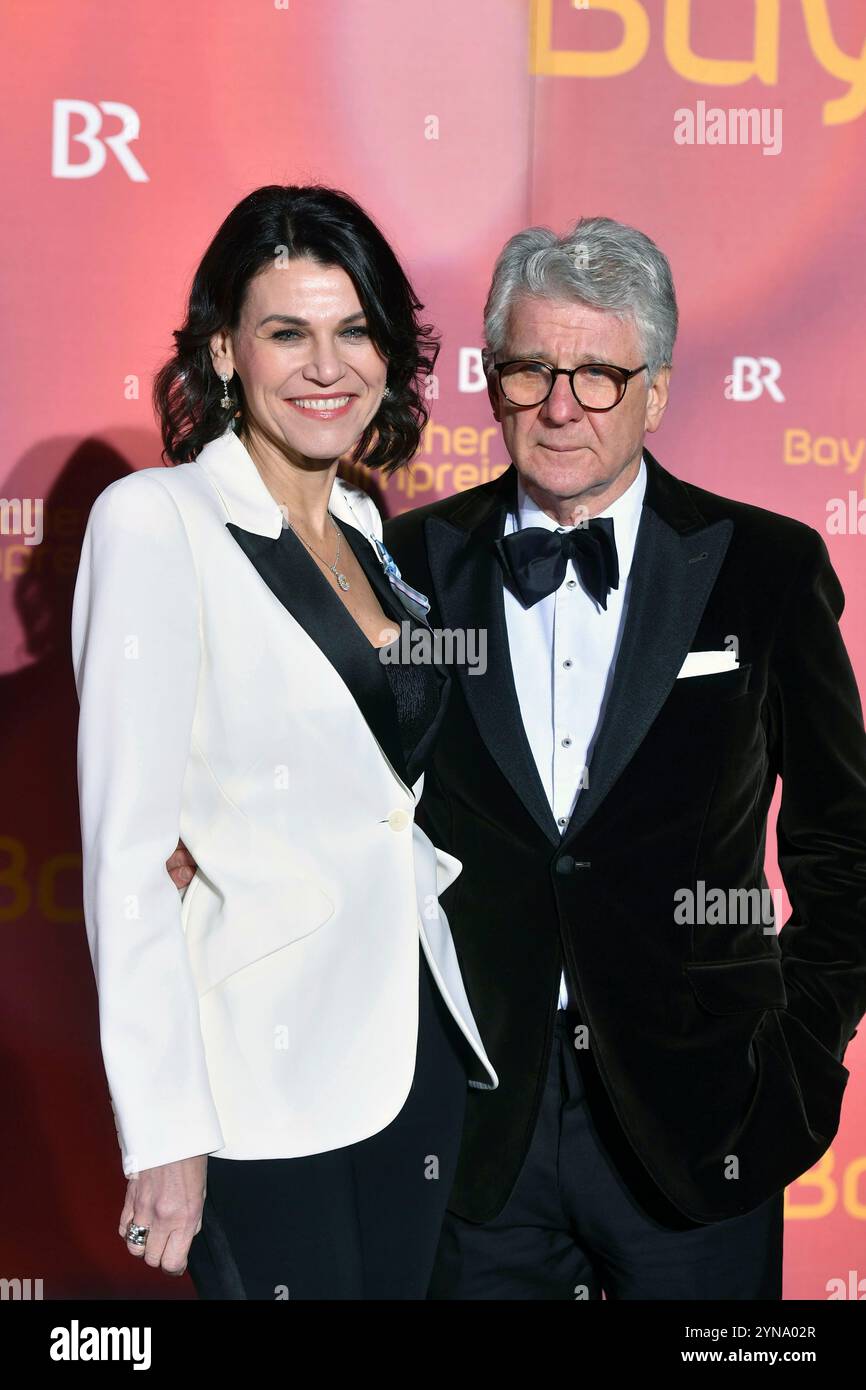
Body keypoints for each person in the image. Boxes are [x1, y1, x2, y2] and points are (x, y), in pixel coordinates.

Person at [378, 217, 866, 1298]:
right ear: (491, 382)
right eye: (530, 370)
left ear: (656, 391)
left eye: (599, 375)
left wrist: (798, 1055)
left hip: (702, 1115)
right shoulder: (407, 566)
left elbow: (845, 844)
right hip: (475, 1128)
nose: (561, 406)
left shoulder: (765, 567)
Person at [71, 183, 496, 1302]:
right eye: (287, 332)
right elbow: (127, 860)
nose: (327, 366)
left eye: (354, 330)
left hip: (409, 1047)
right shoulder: (156, 520)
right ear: (224, 350)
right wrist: (162, 1129)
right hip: (256, 1073)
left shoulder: (364, 526)